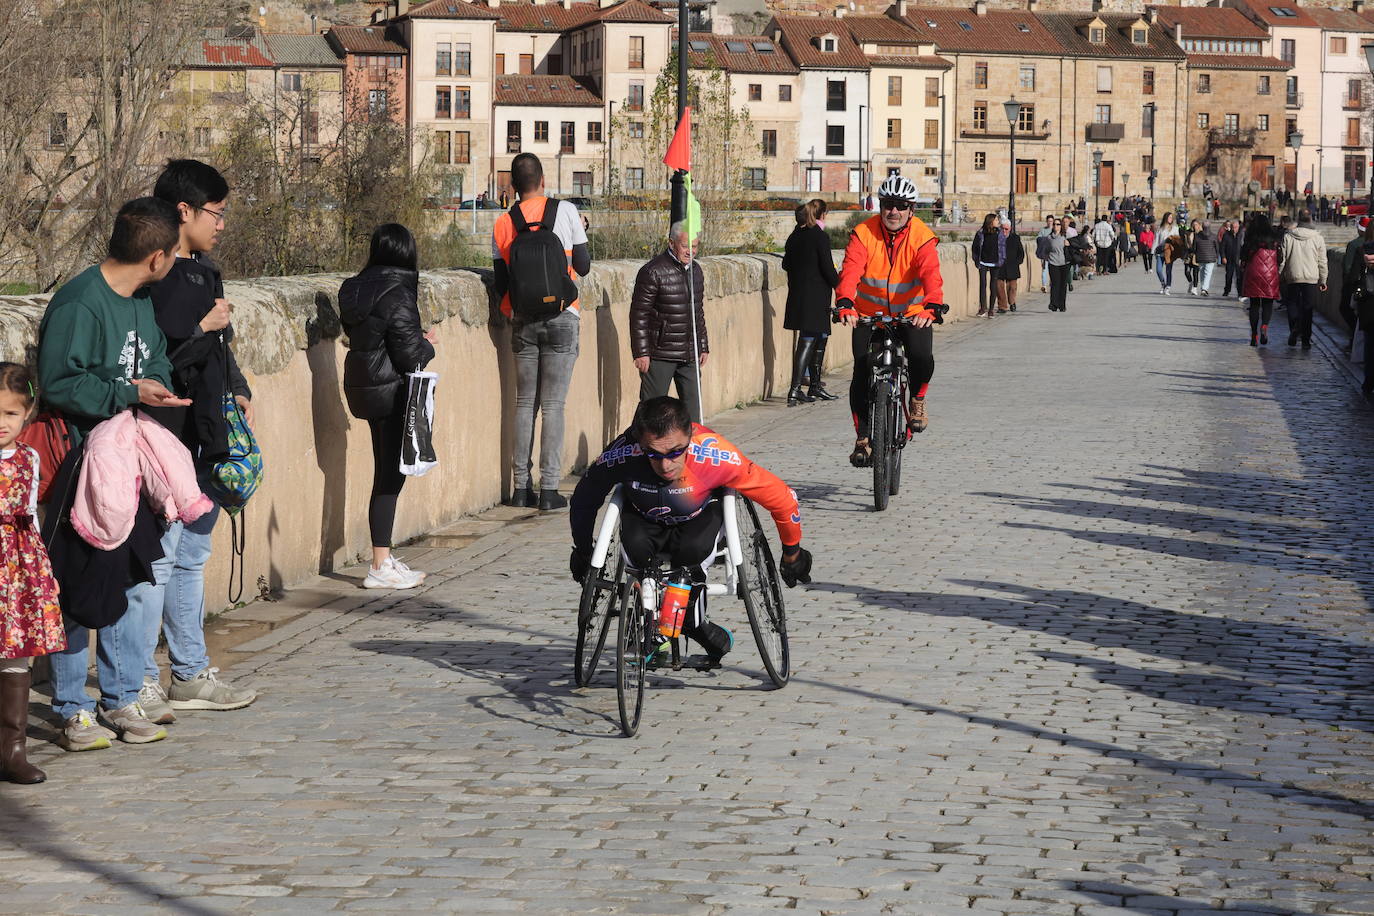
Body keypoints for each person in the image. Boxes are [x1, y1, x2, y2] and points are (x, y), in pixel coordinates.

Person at [38, 197, 191, 751]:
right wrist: (127, 392)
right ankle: (71, 708)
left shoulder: (141, 301)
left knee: (127, 583)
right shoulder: (80, 303)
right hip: (79, 469)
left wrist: (152, 382)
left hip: (129, 465)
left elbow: (153, 361)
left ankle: (121, 697)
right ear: (156, 257)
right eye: (173, 252)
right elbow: (57, 383)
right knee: (76, 590)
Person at [123, 159, 259, 724]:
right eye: (215, 213)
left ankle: (189, 670)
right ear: (184, 212)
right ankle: (138, 681)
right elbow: (154, 368)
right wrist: (202, 330)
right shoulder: (152, 280)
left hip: (205, 436)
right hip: (164, 437)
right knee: (159, 559)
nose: (221, 223)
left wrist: (238, 387)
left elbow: (217, 354)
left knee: (192, 557)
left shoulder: (203, 272)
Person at [568, 397, 812, 663]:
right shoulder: (624, 453)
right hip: (643, 519)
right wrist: (583, 551)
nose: (665, 464)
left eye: (676, 451)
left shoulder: (716, 455)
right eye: (654, 454)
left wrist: (792, 553)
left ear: (690, 434)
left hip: (699, 518)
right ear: (640, 442)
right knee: (636, 548)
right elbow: (584, 499)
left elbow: (782, 498)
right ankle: (647, 622)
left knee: (691, 553)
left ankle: (693, 623)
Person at [339, 224, 436, 589]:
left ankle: (384, 557)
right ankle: (380, 563)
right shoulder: (398, 293)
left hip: (364, 385)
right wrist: (429, 343)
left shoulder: (353, 288)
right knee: (390, 476)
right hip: (391, 388)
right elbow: (410, 354)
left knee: (385, 469)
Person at [492, 153, 591, 511]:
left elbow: (501, 282)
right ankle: (549, 490)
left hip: (523, 321)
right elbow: (583, 266)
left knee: (524, 404)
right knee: (553, 405)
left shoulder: (503, 222)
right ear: (544, 180)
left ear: (513, 187)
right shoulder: (564, 212)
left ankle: (521, 488)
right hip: (563, 316)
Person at [834, 173, 942, 466]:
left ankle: (917, 399)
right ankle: (864, 437)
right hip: (869, 314)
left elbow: (930, 272)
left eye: (900, 205)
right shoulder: (863, 233)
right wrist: (844, 301)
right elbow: (851, 270)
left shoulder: (921, 237)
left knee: (921, 356)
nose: (893, 211)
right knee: (860, 371)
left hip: (911, 313)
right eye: (886, 204)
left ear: (911, 209)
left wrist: (932, 304)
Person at [0, 364, 65, 783]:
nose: (0, 423)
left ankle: (12, 751)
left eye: (9, 413)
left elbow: (30, 515)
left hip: (19, 566)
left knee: (15, 655)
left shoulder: (29, 456)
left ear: (27, 415)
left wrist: (45, 569)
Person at [630, 222, 708, 424]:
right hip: (660, 353)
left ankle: (690, 453)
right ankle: (641, 450)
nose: (690, 251)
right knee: (651, 411)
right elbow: (639, 314)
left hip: (689, 353)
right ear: (671, 243)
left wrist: (703, 345)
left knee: (693, 412)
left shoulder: (696, 271)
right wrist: (641, 352)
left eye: (695, 246)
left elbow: (697, 311)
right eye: (685, 246)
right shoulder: (652, 271)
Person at [782, 199, 839, 405]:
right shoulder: (819, 237)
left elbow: (786, 264)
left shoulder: (795, 236)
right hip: (815, 295)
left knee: (820, 337)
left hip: (800, 294)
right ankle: (796, 389)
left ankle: (814, 385)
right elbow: (827, 267)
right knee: (808, 339)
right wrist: (839, 283)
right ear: (822, 215)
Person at [1280, 209, 1328, 349]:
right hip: (1311, 277)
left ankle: (1294, 327)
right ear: (1311, 219)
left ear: (1298, 219)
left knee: (1292, 304)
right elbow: (1322, 261)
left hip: (1293, 275)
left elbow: (1283, 259)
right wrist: (1323, 280)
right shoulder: (1318, 238)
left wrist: (1280, 275)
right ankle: (1306, 339)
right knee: (1307, 308)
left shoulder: (1288, 236)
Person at [1240, 214, 1281, 347]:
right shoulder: (1274, 239)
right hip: (1270, 274)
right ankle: (1264, 327)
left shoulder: (1250, 238)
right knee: (1268, 303)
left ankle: (1254, 335)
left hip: (1253, 272)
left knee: (1254, 305)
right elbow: (1279, 258)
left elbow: (1243, 256)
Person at [1345, 239, 1374, 398]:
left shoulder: (1364, 250)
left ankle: (1369, 381)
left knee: (1369, 344)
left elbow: (1354, 276)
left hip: (1368, 303)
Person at [1339, 217, 1372, 337]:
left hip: (1354, 284)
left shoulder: (1354, 245)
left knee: (1345, 308)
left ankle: (1353, 336)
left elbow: (1347, 267)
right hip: (1367, 286)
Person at [972, 214, 1003, 318]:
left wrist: (1002, 260)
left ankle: (991, 310)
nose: (998, 221)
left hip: (995, 262)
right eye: (996, 220)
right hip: (983, 261)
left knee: (993, 285)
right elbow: (975, 247)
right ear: (991, 221)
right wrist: (976, 260)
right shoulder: (981, 233)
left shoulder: (999, 233)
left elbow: (1003, 247)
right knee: (983, 284)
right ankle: (982, 308)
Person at [1042, 218, 1070, 313]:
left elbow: (1073, 247)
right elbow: (1045, 251)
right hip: (1053, 263)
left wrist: (1068, 245)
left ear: (1061, 226)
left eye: (1058, 224)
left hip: (1064, 263)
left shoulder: (1065, 236)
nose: (1055, 226)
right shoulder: (1049, 238)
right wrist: (1044, 260)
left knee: (1063, 284)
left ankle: (1062, 305)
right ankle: (1053, 304)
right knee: (1054, 284)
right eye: (1054, 224)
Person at [996, 218, 1024, 313]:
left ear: (1010, 229)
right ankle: (1002, 306)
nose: (1004, 231)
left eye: (1006, 229)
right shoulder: (997, 238)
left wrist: (1018, 262)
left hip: (1012, 265)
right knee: (999, 286)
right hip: (1000, 266)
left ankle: (1012, 302)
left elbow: (1021, 252)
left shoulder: (1015, 238)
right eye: (1002, 228)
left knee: (1012, 287)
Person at [1154, 211, 1180, 294]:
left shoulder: (1175, 228)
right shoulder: (1160, 229)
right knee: (1158, 270)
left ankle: (1168, 286)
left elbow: (1177, 240)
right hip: (1160, 251)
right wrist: (1153, 251)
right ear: (1165, 218)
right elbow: (1156, 240)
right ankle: (1163, 284)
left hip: (1170, 252)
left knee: (1168, 270)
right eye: (1169, 217)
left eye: (1172, 217)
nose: (1170, 219)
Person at [1192, 220, 1218, 296]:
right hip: (1211, 257)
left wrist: (1195, 253)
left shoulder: (1197, 236)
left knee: (1202, 273)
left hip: (1200, 257)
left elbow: (1194, 247)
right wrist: (1217, 255)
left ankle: (1203, 288)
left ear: (1202, 227)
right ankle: (1204, 289)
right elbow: (1217, 247)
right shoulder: (1213, 236)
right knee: (1208, 273)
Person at [1219, 219, 1242, 298]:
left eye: (1235, 227)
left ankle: (1240, 292)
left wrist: (1243, 258)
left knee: (1239, 277)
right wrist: (1223, 257)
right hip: (1229, 259)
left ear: (1238, 227)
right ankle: (1227, 290)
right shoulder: (1226, 235)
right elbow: (1222, 247)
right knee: (1228, 275)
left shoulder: (1241, 235)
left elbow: (1243, 247)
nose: (1234, 229)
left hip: (1238, 259)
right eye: (1232, 227)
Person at [1036, 215, 1054, 292]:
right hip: (1045, 253)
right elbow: (1038, 239)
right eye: (1048, 221)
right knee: (1044, 269)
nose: (1050, 223)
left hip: (1053, 253)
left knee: (1053, 269)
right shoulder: (1043, 230)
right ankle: (1044, 285)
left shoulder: (1054, 230)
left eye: (1051, 221)